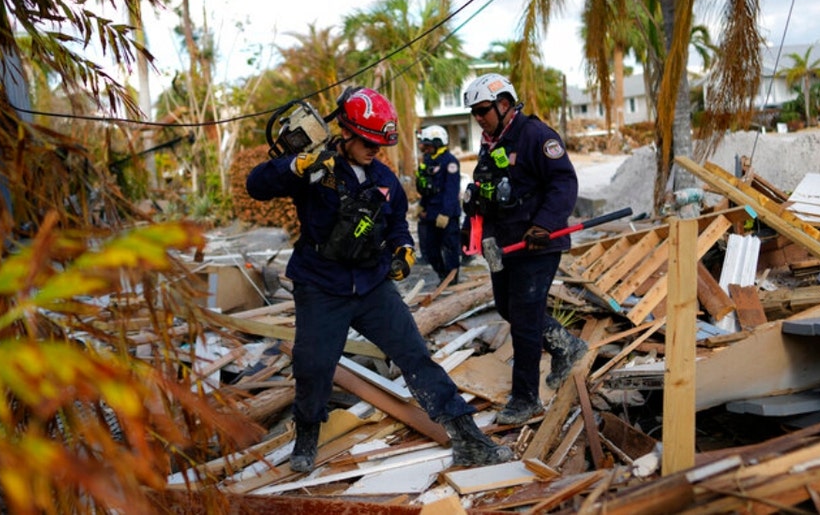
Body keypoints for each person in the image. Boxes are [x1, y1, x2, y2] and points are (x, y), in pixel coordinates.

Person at [246, 87, 512, 472]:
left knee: (416, 357)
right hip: (321, 284)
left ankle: (468, 437)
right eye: (369, 142)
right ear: (347, 133)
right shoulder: (313, 170)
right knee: (313, 366)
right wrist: (292, 166)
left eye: (380, 144)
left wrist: (403, 250)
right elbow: (256, 186)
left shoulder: (384, 177)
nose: (375, 150)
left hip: (371, 286)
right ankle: (306, 440)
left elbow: (397, 227)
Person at [461, 73, 587, 425]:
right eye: (474, 112)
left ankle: (525, 398)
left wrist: (544, 224)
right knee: (507, 307)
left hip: (538, 243)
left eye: (483, 109)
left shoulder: (536, 136)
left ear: (504, 103)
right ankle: (565, 345)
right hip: (506, 245)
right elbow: (485, 190)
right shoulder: (491, 143)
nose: (478, 117)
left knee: (526, 319)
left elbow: (563, 182)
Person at [415, 125, 461, 285]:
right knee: (430, 250)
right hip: (431, 213)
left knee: (450, 248)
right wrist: (422, 206)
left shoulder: (450, 162)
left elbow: (451, 191)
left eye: (428, 145)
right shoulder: (428, 161)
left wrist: (446, 214)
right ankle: (442, 275)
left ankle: (452, 278)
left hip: (446, 215)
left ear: (437, 143)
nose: (425, 148)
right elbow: (427, 188)